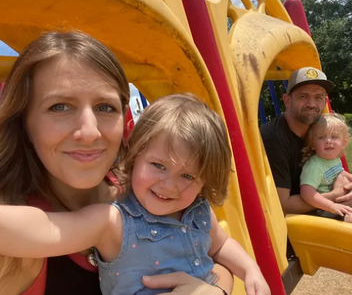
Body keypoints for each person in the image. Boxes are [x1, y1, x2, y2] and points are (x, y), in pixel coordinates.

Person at [0, 31, 233, 295]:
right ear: (24, 123)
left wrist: (217, 289)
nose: (89, 132)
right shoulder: (16, 250)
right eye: (60, 107)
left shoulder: (150, 193)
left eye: (105, 107)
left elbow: (211, 256)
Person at [0, 94, 270, 295]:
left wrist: (249, 269)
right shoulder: (114, 222)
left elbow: (220, 245)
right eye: (159, 166)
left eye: (187, 176)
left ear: (204, 180)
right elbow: (45, 229)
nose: (170, 185)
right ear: (135, 156)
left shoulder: (199, 210)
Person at [260, 67, 352, 219]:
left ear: (324, 101)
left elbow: (333, 170)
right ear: (287, 101)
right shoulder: (273, 138)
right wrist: (336, 195)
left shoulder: (318, 127)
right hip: (300, 218)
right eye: (303, 96)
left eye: (318, 97)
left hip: (326, 202)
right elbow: (283, 205)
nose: (311, 104)